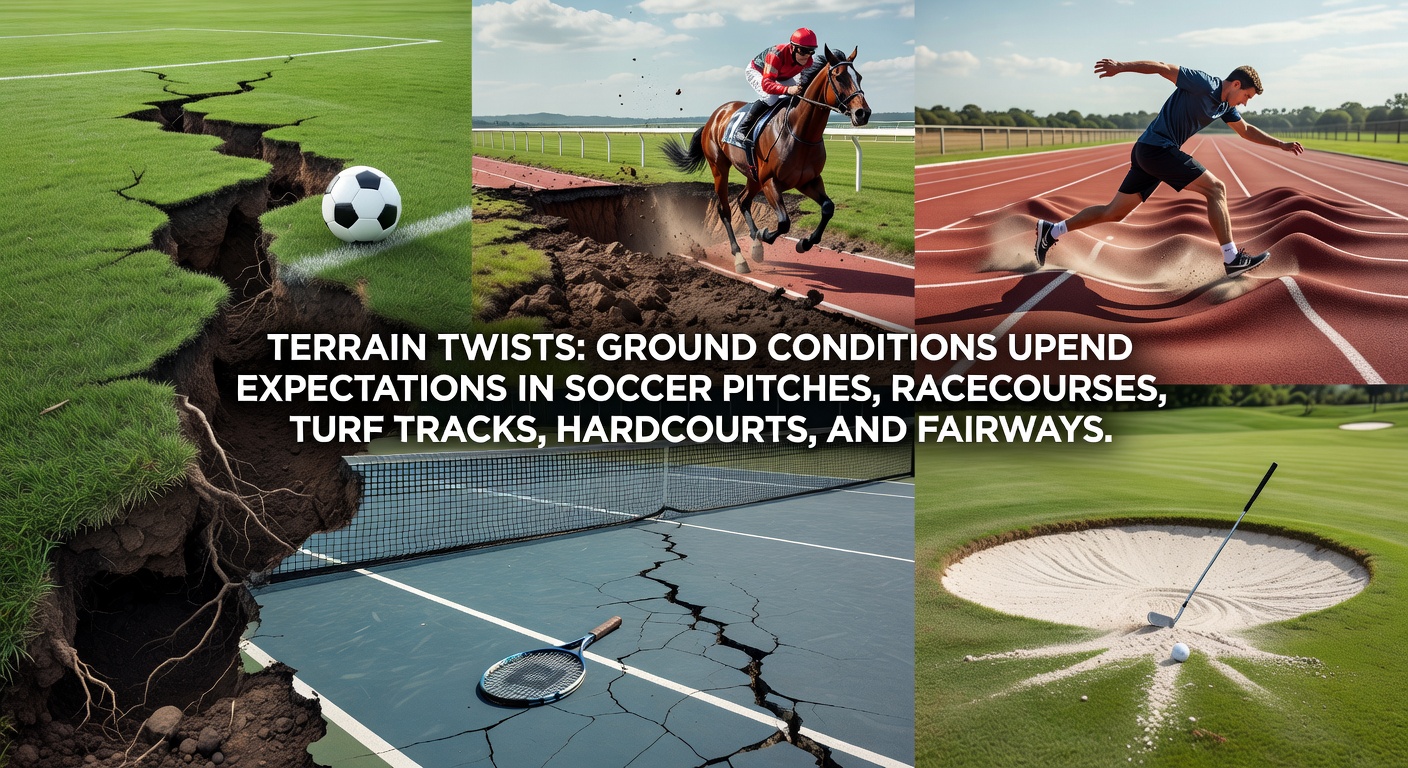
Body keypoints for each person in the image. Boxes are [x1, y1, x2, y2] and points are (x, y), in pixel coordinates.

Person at [1034, 60, 1305, 276]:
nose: (1245, 102)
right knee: (1216, 189)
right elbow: (1162, 68)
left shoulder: (1224, 105)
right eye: (1246, 96)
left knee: (1113, 212)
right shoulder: (1202, 83)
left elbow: (1245, 131)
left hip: (1148, 151)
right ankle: (1232, 258)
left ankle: (1052, 231)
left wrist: (1280, 144)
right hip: (1156, 149)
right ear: (1235, 84)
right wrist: (1120, 67)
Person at [729, 28, 824, 151]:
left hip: (782, 75)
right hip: (759, 72)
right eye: (803, 51)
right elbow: (767, 85)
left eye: (811, 52)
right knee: (770, 97)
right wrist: (788, 90)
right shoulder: (776, 55)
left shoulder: (808, 61)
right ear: (793, 47)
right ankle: (742, 129)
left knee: (801, 94)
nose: (807, 56)